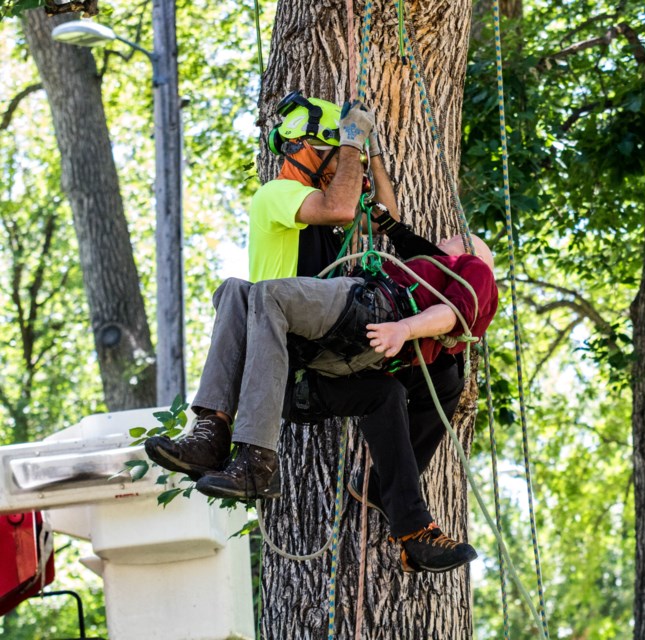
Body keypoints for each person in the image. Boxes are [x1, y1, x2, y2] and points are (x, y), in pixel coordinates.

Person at [145, 92, 492, 573]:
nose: (344, 167)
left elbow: (383, 212)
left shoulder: (335, 219)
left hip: (317, 354)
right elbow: (342, 207)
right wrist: (351, 138)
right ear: (307, 149)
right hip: (283, 360)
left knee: (404, 387)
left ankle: (411, 529)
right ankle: (221, 435)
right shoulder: (278, 195)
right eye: (333, 154)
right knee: (242, 291)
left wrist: (367, 151)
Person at [148, 236, 497, 572]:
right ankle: (213, 430)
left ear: (470, 250)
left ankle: (257, 461)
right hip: (324, 358)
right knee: (234, 292)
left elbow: (455, 314)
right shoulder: (427, 265)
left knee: (268, 295)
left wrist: (404, 328)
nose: (446, 236)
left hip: (370, 306)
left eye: (454, 236)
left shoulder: (472, 268)